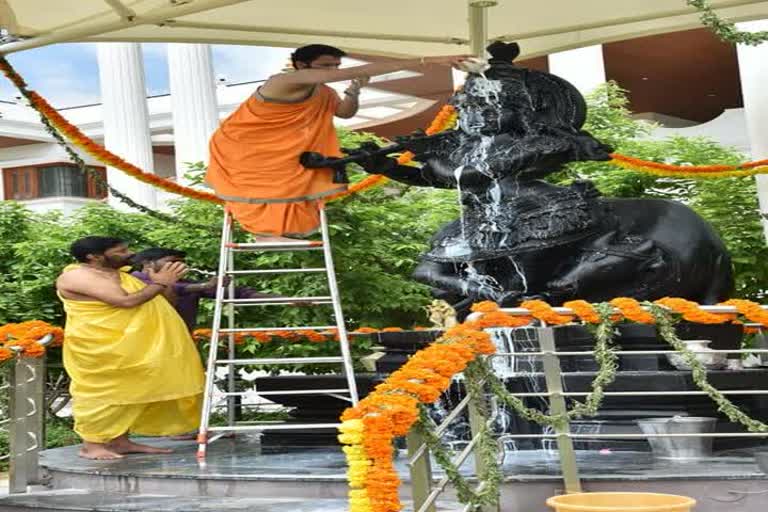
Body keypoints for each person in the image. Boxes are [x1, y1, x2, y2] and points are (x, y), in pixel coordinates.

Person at [206, 43, 469, 242]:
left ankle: (275, 232)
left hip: (286, 150)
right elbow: (363, 69)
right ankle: (262, 233)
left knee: (293, 186)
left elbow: (344, 112)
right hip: (244, 146)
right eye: (326, 66)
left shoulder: (324, 91)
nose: (333, 71)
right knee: (261, 190)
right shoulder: (283, 81)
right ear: (301, 65)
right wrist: (429, 60)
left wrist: (355, 89)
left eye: (335, 66)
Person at [55, 236, 205, 460]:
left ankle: (120, 442)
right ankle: (91, 446)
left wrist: (166, 283)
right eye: (121, 250)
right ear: (93, 257)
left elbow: (159, 301)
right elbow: (125, 302)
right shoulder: (77, 276)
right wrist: (160, 282)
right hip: (101, 346)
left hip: (132, 346)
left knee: (132, 390)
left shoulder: (120, 274)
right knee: (103, 393)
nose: (130, 253)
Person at [131, 247, 280, 331]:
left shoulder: (186, 282)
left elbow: (238, 293)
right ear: (148, 264)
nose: (180, 266)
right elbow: (178, 288)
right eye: (173, 262)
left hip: (180, 338)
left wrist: (282, 299)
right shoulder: (134, 279)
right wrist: (206, 285)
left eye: (182, 263)